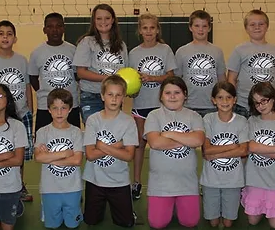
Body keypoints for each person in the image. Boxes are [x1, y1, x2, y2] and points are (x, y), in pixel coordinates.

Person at [144, 76, 205, 229]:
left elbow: (198, 140)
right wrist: (186, 139)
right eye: (167, 93)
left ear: (185, 94)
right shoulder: (154, 116)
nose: (172, 96)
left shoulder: (194, 116)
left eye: (177, 92)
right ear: (161, 96)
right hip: (161, 183)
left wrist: (168, 134)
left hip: (187, 182)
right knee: (157, 224)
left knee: (190, 222)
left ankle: (178, 205)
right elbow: (155, 143)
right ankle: (169, 205)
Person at [129, 13, 177, 200]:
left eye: (152, 28)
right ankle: (137, 181)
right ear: (140, 30)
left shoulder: (165, 50)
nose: (149, 31)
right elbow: (130, 81)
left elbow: (171, 76)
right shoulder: (133, 53)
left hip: (161, 106)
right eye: (145, 28)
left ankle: (167, 180)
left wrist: (153, 78)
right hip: (141, 104)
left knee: (163, 144)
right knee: (140, 144)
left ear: (157, 30)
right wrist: (131, 90)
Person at [82, 75, 138, 227]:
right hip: (95, 180)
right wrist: (118, 145)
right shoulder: (93, 120)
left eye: (118, 95)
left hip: (119, 181)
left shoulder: (128, 121)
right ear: (102, 96)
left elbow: (129, 156)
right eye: (110, 95)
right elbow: (90, 155)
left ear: (123, 98)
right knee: (91, 221)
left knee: (126, 223)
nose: (114, 99)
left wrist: (101, 145)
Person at [0, 20, 33, 202]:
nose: (5, 37)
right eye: (1, 34)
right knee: (0, 148)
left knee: (20, 154)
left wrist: (30, 110)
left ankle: (19, 185)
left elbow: (26, 86)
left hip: (21, 113)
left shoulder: (22, 60)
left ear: (15, 38)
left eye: (9, 34)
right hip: (0, 115)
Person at [200, 81, 249, 228]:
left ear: (235, 100)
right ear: (213, 100)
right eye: (220, 97)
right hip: (210, 181)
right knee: (214, 223)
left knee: (228, 224)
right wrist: (232, 146)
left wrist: (215, 154)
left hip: (233, 181)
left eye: (228, 97)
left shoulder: (241, 121)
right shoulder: (208, 119)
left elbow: (243, 150)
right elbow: (206, 150)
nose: (225, 101)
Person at [34, 88, 83, 229]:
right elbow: (38, 157)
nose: (59, 112)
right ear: (48, 109)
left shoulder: (76, 132)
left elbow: (77, 160)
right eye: (55, 108)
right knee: (53, 225)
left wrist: (49, 157)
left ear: (70, 109)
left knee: (72, 225)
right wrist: (64, 153)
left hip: (72, 188)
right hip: (50, 189)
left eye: (63, 108)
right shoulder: (42, 132)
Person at [73, 3, 128, 124]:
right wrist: (108, 78)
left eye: (107, 18)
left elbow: (125, 73)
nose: (103, 21)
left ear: (113, 20)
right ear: (94, 21)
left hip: (114, 96)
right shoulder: (87, 42)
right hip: (91, 95)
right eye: (99, 18)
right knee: (97, 134)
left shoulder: (121, 45)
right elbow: (81, 72)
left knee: (113, 133)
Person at [28, 12, 80, 132]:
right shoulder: (37, 53)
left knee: (73, 142)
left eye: (58, 26)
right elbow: (33, 78)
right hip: (45, 106)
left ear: (63, 28)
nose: (55, 30)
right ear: (44, 30)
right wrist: (47, 92)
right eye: (50, 27)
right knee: (43, 143)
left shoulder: (74, 50)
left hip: (70, 105)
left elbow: (78, 76)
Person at [175, 10, 226, 118]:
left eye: (204, 26)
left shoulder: (217, 51)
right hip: (188, 105)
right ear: (190, 27)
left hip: (212, 105)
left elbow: (221, 79)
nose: (201, 29)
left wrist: (222, 99)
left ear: (209, 28)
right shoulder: (182, 51)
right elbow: (176, 80)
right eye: (197, 26)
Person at [0, 82, 28, 230]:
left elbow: (18, 160)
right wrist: (7, 155)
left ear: (8, 100)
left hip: (11, 189)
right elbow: (12, 157)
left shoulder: (17, 126)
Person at [227, 9, 275, 119]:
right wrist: (233, 100)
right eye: (252, 24)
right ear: (246, 28)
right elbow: (231, 78)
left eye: (261, 24)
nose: (257, 27)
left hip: (269, 105)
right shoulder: (239, 50)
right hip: (243, 105)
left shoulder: (273, 50)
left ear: (267, 26)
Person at [241, 82, 275, 228]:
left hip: (273, 180)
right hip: (256, 179)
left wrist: (258, 148)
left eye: (264, 100)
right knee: (252, 221)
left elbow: (255, 146)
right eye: (256, 103)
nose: (260, 105)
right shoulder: (252, 121)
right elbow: (250, 146)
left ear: (272, 98)